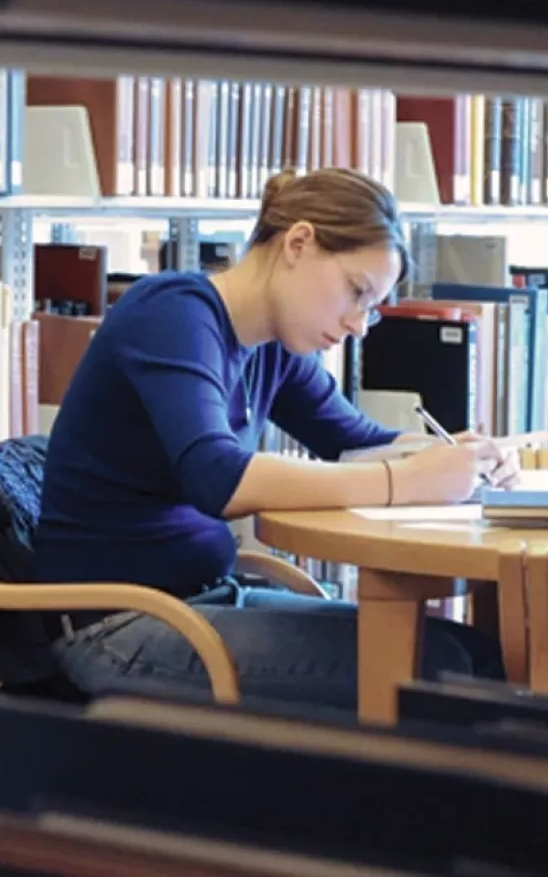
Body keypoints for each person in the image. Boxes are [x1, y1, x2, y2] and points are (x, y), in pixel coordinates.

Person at [32, 166, 517, 713]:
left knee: (476, 655)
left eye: (371, 308)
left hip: (202, 600)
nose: (359, 323)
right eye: (357, 292)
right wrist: (404, 479)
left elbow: (354, 440)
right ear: (299, 243)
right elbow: (216, 477)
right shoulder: (172, 312)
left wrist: (456, 456)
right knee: (434, 669)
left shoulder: (274, 345)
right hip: (119, 623)